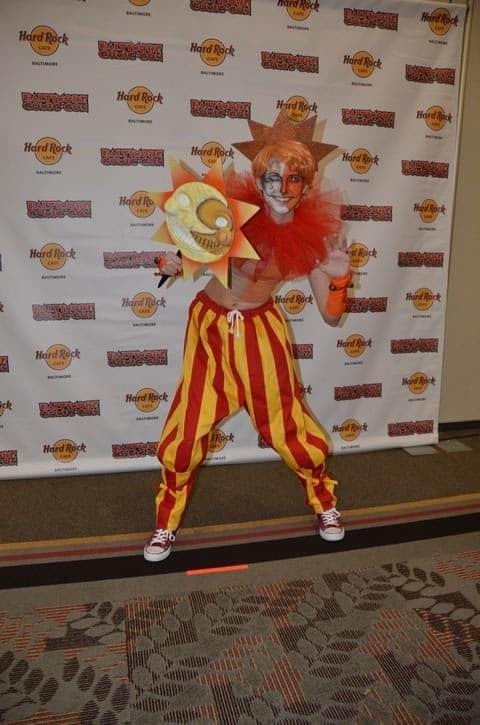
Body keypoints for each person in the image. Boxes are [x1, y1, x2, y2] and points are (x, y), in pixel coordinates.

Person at [144, 112, 352, 563]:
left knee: (291, 429)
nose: (282, 188)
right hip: (209, 328)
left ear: (306, 186)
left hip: (260, 331)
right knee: (185, 432)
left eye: (293, 178)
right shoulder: (233, 215)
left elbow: (331, 315)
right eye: (272, 177)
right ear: (258, 180)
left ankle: (324, 503)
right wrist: (173, 263)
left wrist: (339, 279)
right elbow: (192, 250)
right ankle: (165, 523)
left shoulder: (315, 238)